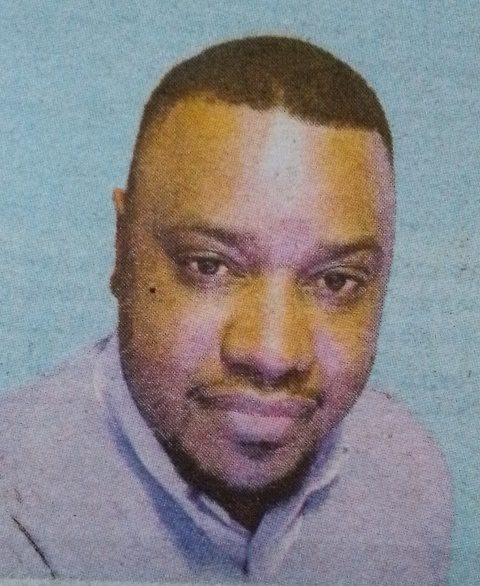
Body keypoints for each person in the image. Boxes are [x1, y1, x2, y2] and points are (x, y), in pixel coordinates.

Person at [0, 36, 452, 584]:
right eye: (209, 266)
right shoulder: (18, 509)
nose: (272, 354)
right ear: (122, 249)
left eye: (336, 280)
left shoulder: (409, 481)